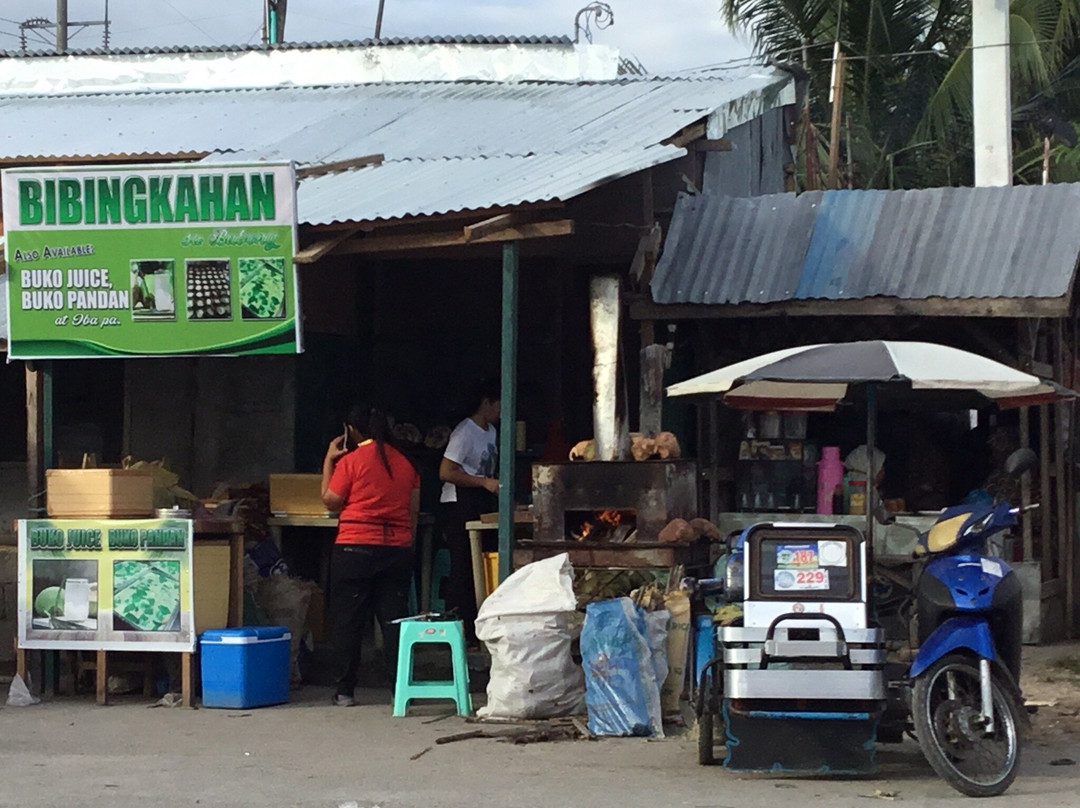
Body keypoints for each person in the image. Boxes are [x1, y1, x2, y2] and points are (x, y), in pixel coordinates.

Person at [321, 403, 420, 707]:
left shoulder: (351, 461)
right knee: (394, 621)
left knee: (348, 621)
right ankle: (400, 688)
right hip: (397, 548)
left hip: (354, 548)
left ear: (350, 430)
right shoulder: (406, 463)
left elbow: (330, 501)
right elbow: (412, 513)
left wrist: (329, 460)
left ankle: (344, 691)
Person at [438, 379, 500, 640]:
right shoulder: (465, 431)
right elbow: (445, 471)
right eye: (499, 404)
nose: (501, 411)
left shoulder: (492, 432)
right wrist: (483, 482)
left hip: (481, 502)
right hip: (458, 504)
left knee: (482, 563)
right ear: (486, 402)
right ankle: (460, 628)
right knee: (463, 567)